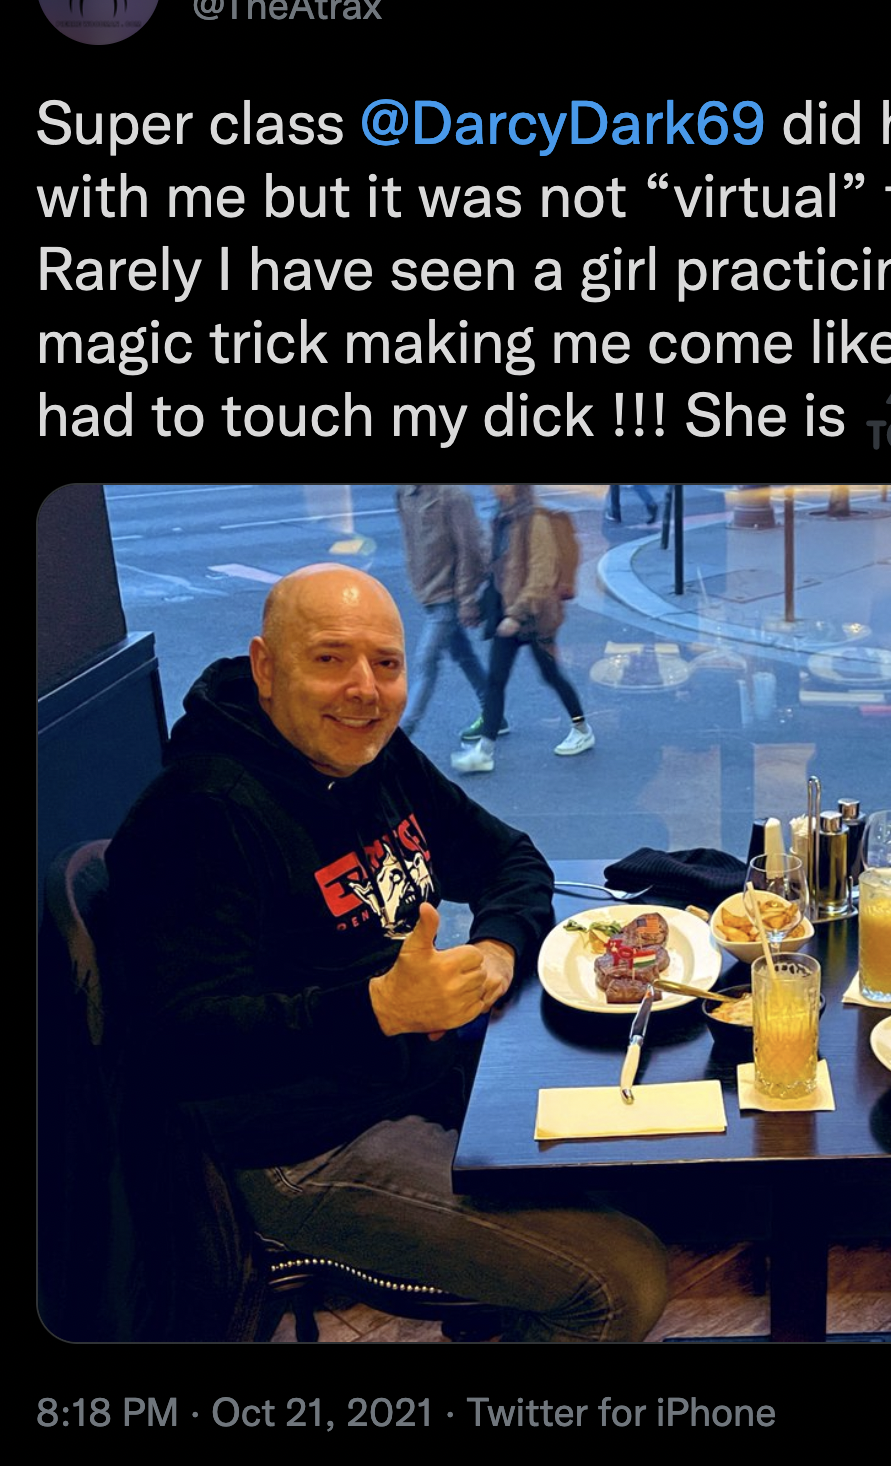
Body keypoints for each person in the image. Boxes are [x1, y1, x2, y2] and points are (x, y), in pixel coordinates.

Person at [109, 564, 667, 1341]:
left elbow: (509, 858)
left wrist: (496, 951)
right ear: (266, 667)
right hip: (301, 1143)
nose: (365, 690)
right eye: (329, 658)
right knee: (618, 1282)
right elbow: (177, 1041)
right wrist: (375, 1010)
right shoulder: (199, 814)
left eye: (387, 663)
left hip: (417, 1074)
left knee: (652, 1140)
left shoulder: (375, 757)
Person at [453, 485, 594, 772]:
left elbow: (542, 573)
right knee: (495, 681)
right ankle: (484, 751)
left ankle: (582, 729)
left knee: (551, 674)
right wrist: (479, 606)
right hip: (507, 614)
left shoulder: (535, 519)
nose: (494, 487)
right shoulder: (503, 517)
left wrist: (517, 614)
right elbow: (498, 571)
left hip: (535, 617)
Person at [394, 484, 490, 738]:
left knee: (426, 661)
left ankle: (402, 734)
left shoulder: (453, 496)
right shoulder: (405, 494)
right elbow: (410, 542)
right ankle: (493, 713)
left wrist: (467, 599)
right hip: (428, 592)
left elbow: (470, 548)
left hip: (448, 594)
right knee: (463, 655)